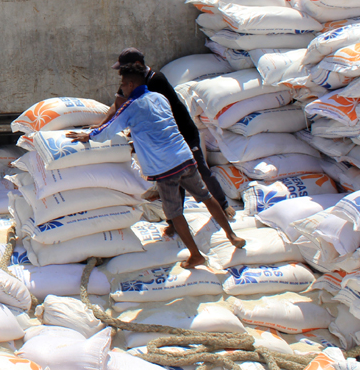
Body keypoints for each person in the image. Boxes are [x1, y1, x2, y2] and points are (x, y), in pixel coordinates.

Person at [68, 62, 244, 269]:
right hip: (184, 157)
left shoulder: (130, 108)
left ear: (132, 84)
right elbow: (156, 126)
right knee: (205, 196)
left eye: (123, 84)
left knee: (174, 213)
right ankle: (232, 236)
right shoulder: (159, 98)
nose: (121, 88)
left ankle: (195, 254)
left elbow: (108, 130)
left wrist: (88, 135)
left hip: (165, 168)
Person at [99, 48, 233, 234]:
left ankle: (223, 205)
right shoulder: (131, 80)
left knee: (200, 170)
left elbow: (153, 112)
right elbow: (119, 105)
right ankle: (174, 223)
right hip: (165, 140)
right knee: (173, 179)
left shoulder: (156, 80)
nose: (123, 80)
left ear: (137, 66)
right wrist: (100, 126)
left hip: (182, 132)